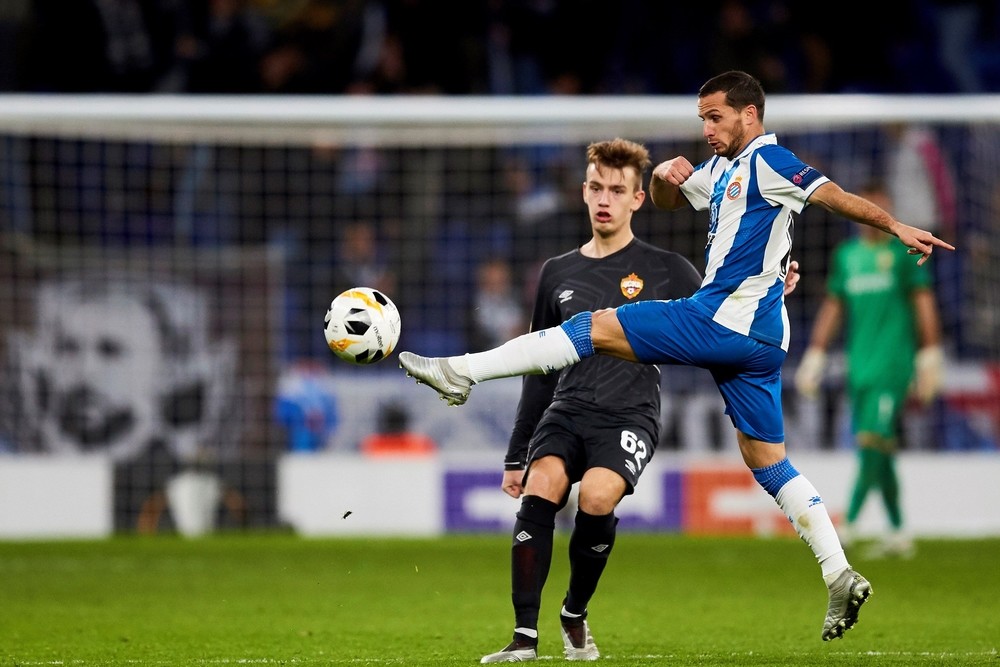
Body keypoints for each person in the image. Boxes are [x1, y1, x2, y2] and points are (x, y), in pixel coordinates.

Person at [399, 70, 955, 642]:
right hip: (762, 343)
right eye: (702, 119)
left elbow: (832, 196)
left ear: (749, 114)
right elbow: (668, 201)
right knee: (766, 460)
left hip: (721, 320)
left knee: (591, 326)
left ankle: (460, 371)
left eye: (716, 117)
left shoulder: (771, 160)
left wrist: (893, 226)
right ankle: (837, 572)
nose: (707, 129)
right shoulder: (720, 170)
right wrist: (664, 178)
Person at [795, 180, 944, 559]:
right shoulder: (848, 256)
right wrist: (815, 354)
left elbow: (923, 303)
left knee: (871, 441)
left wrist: (929, 356)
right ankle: (897, 533)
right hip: (859, 367)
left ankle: (849, 524)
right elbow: (833, 307)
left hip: (894, 366)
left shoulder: (902, 253)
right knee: (882, 448)